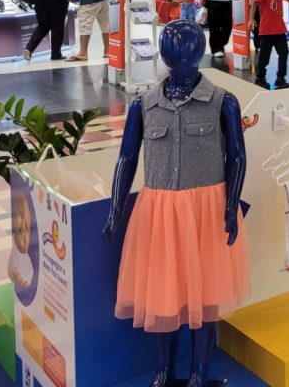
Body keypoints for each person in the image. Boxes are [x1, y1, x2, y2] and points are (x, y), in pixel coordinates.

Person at [102, 20, 249, 387]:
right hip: (160, 214)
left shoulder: (223, 102)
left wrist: (231, 205)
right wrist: (116, 208)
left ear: (199, 54)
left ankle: (199, 375)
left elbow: (236, 156)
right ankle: (165, 371)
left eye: (187, 52)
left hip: (206, 212)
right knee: (163, 293)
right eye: (173, 53)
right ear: (164, 56)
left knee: (208, 294)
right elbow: (126, 158)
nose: (180, 59)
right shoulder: (143, 105)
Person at [249, 0, 289, 89]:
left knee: (284, 52)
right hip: (267, 30)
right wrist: (251, 19)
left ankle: (280, 78)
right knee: (264, 57)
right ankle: (260, 78)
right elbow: (255, 3)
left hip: (279, 30)